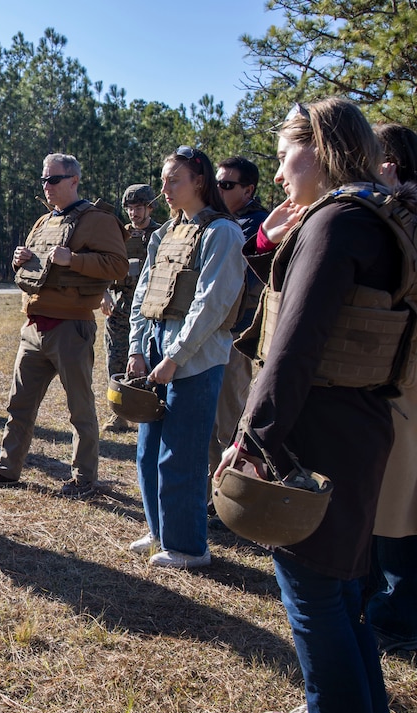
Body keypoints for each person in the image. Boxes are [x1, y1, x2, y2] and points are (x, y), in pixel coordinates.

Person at [215, 99, 398, 713]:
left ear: (317, 147)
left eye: (282, 155)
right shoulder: (377, 215)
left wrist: (252, 441)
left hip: (316, 426)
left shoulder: (337, 222)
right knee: (342, 583)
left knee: (311, 590)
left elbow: (292, 348)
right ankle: (363, 707)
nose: (276, 174)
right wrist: (278, 241)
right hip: (362, 422)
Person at [0, 153, 127, 497]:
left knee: (80, 409)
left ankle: (85, 479)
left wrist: (76, 259)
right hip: (34, 326)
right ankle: (8, 469)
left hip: (71, 327)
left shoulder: (97, 219)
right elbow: (32, 268)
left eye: (53, 180)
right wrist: (19, 260)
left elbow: (118, 266)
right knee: (19, 404)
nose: (47, 186)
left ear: (74, 180)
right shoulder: (43, 222)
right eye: (43, 180)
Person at [127, 146, 245, 568]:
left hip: (195, 359)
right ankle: (161, 531)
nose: (165, 189)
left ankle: (189, 547)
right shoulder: (165, 234)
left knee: (182, 453)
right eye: (162, 179)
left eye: (173, 179)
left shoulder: (222, 233)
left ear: (200, 181)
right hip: (159, 348)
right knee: (148, 450)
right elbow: (145, 294)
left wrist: (175, 356)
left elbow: (211, 305)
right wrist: (138, 348)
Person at [365, 122, 417, 655]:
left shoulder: (398, 218)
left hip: (404, 377)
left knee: (398, 501)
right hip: (399, 373)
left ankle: (397, 617)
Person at [209, 156, 270, 474]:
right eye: (217, 183)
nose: (218, 189)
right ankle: (208, 493)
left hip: (238, 335)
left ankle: (231, 492)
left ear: (248, 190)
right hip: (211, 330)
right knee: (208, 418)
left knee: (230, 420)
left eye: (227, 185)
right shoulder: (216, 221)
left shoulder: (263, 225)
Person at [100, 184, 160, 432]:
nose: (134, 213)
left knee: (152, 363)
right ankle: (119, 414)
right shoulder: (117, 235)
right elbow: (101, 266)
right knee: (116, 361)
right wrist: (103, 294)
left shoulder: (163, 234)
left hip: (153, 312)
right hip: (121, 310)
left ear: (150, 208)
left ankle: (149, 410)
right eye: (130, 208)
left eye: (139, 208)